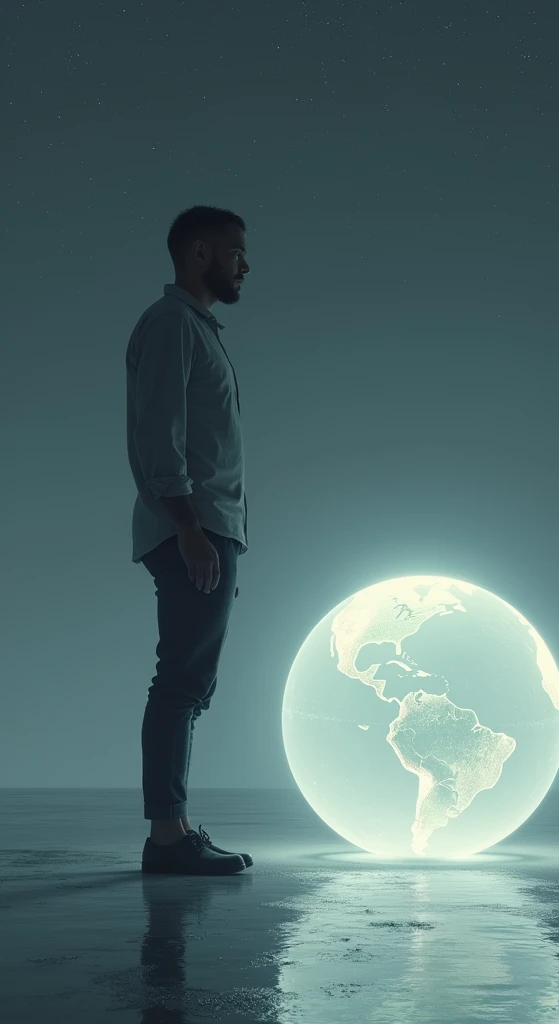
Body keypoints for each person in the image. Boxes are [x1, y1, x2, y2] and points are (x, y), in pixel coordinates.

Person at [125, 204, 254, 875]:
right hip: (193, 529)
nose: (245, 265)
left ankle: (170, 831)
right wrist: (188, 530)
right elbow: (160, 434)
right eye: (236, 252)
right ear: (199, 253)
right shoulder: (175, 324)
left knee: (187, 682)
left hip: (205, 528)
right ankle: (168, 839)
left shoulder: (196, 328)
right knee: (181, 681)